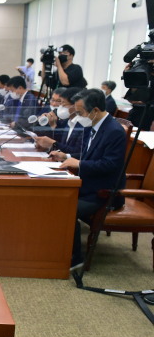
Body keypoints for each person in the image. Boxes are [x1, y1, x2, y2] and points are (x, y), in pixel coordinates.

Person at [49, 89, 127, 270]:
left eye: (81, 113)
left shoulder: (114, 131)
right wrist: (65, 155)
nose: (79, 116)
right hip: (85, 184)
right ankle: (55, 247)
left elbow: (110, 165)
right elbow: (85, 154)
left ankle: (75, 257)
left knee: (66, 208)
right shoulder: (90, 125)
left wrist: (80, 164)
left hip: (103, 191)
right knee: (53, 198)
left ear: (96, 110)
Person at [33, 87, 84, 154]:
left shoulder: (82, 125)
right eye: (61, 104)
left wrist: (53, 144)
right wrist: (48, 147)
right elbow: (63, 147)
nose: (60, 108)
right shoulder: (70, 122)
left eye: (64, 105)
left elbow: (77, 153)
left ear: (76, 106)